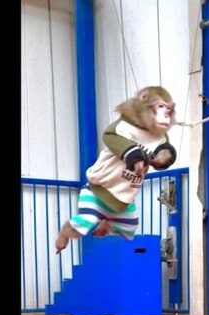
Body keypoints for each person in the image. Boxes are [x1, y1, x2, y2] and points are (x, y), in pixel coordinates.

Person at [55, 86, 178, 253]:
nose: (165, 115)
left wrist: (164, 158)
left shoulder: (160, 138)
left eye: (169, 109)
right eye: (160, 107)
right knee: (86, 221)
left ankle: (107, 225)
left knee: (130, 228)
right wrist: (133, 155)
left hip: (124, 198)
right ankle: (66, 230)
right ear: (143, 100)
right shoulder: (125, 126)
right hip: (99, 190)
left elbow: (164, 151)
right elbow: (110, 136)